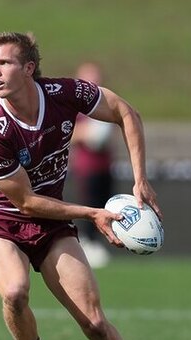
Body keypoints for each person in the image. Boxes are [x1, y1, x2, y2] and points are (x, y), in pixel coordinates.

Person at [0, 32, 182, 340]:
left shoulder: (65, 93)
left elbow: (125, 112)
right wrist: (93, 214)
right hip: (2, 223)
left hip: (52, 226)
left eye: (4, 64)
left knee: (95, 323)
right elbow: (26, 202)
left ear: (28, 68)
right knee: (15, 291)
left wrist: (140, 179)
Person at [69, 61, 114, 268]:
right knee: (90, 206)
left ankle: (100, 243)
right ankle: (86, 244)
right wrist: (86, 134)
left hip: (105, 166)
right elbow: (71, 132)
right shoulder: (75, 107)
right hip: (86, 168)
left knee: (106, 204)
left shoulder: (106, 103)